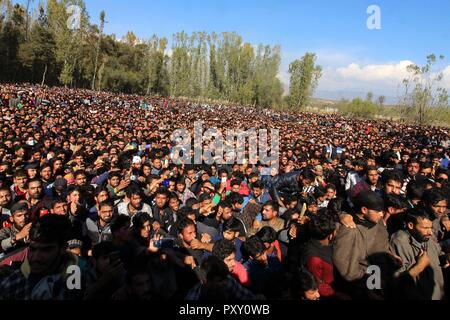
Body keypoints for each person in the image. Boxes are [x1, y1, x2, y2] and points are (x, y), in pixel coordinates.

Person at [0, 215, 83, 300]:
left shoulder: (82, 278)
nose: (36, 257)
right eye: (33, 249)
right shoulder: (12, 284)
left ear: (63, 248)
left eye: (45, 250)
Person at [332, 190, 393, 299]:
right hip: (360, 289)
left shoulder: (377, 222)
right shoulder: (349, 228)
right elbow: (346, 268)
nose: (381, 214)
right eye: (377, 211)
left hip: (380, 281)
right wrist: (372, 282)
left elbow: (381, 246)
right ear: (364, 210)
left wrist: (390, 255)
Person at [390, 209, 447, 300]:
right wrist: (420, 266)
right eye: (425, 228)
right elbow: (398, 282)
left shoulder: (426, 237)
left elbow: (438, 253)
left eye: (430, 228)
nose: (430, 232)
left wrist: (445, 258)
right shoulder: (399, 242)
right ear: (410, 225)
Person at [300, 210, 337, 299]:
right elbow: (317, 284)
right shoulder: (314, 259)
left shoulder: (322, 243)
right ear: (330, 235)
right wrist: (336, 294)